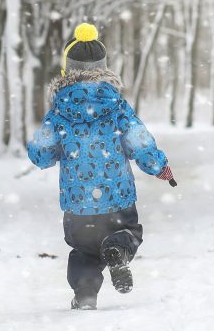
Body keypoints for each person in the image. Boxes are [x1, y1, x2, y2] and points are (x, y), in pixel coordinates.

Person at [27, 23, 176, 310]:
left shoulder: (59, 109)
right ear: (103, 66)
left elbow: (41, 154)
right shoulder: (117, 105)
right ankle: (117, 248)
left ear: (67, 68)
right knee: (129, 232)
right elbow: (139, 141)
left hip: (78, 202)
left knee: (83, 250)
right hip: (117, 197)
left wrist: (48, 150)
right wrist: (159, 166)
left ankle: (84, 295)